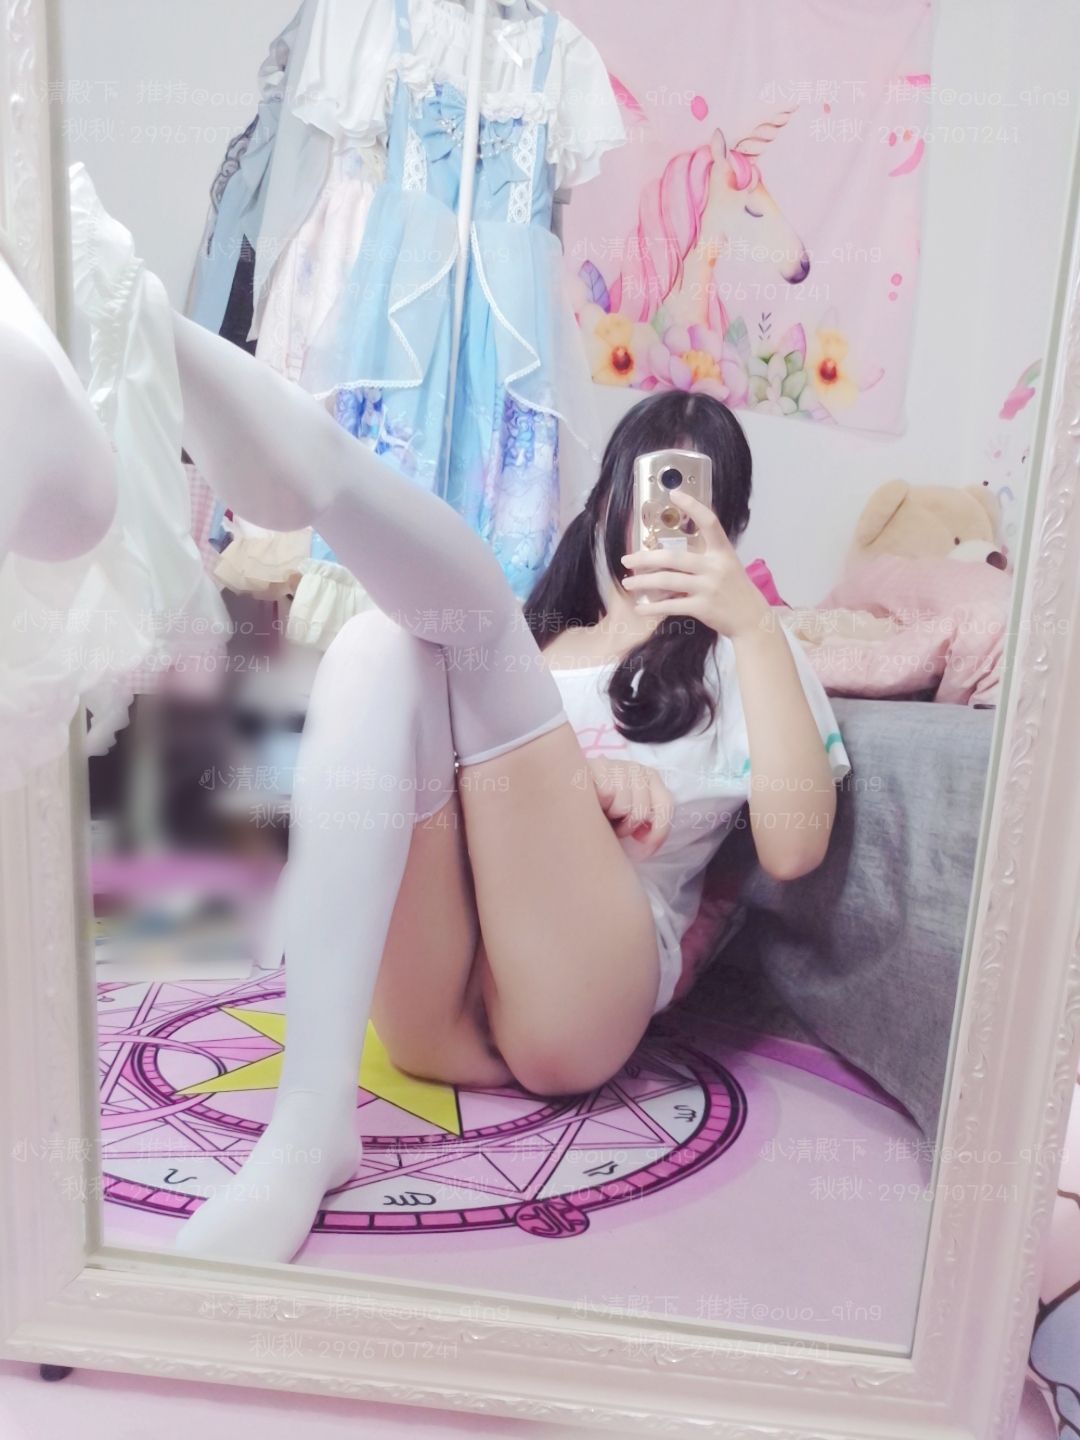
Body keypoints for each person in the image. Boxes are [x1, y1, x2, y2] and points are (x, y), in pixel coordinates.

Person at [168, 311, 848, 1262]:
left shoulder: (745, 653)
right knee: (378, 642)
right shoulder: (541, 646)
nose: (668, 518)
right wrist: (571, 776)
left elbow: (794, 845)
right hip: (437, 1013)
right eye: (651, 485)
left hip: (578, 1006)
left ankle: (311, 464)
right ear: (606, 502)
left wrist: (754, 624)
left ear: (727, 525)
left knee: (467, 626)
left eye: (696, 498)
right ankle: (307, 1128)